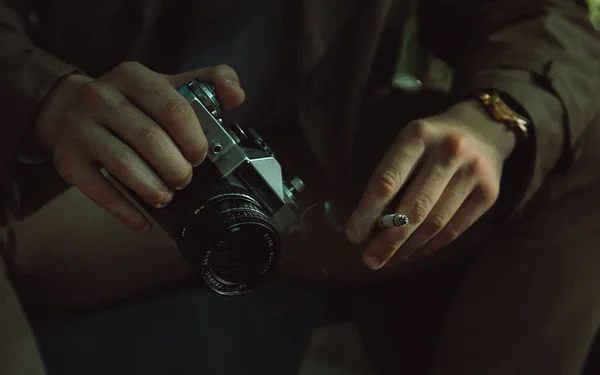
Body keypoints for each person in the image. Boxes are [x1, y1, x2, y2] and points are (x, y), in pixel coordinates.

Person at [1, 0, 600, 374]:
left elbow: (538, 17)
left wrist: (495, 116)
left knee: (577, 142)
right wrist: (50, 97)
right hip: (106, 174)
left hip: (309, 167)